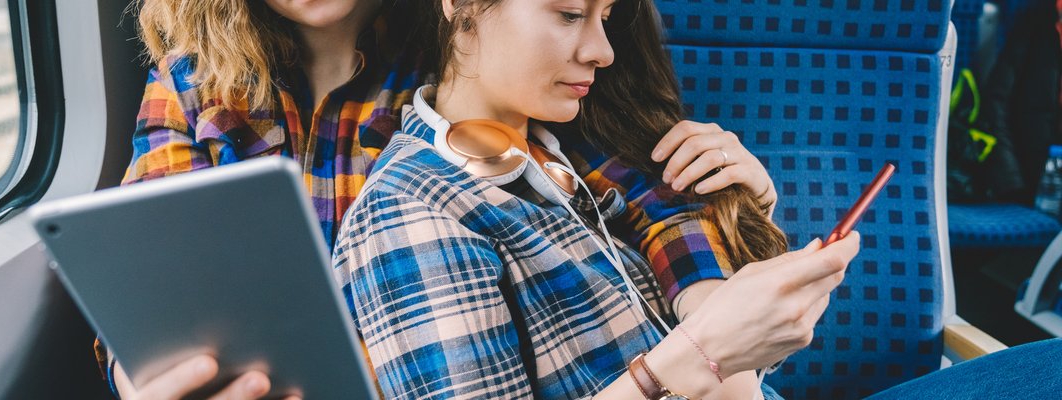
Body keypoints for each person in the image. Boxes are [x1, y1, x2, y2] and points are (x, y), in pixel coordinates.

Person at [106, 0, 780, 398]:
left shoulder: (471, 51)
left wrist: (716, 306)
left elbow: (646, 194)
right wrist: (146, 376)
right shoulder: (190, 87)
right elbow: (147, 274)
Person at [332, 0, 859, 398]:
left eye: (604, 16)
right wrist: (694, 356)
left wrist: (749, 213)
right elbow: (700, 361)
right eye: (568, 13)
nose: (602, 50)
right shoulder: (411, 209)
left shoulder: (578, 161)